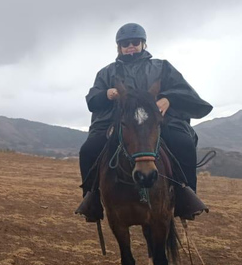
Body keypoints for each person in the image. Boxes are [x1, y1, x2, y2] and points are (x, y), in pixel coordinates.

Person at [75, 23, 213, 221]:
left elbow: (185, 91)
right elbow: (92, 100)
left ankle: (185, 194)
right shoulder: (107, 73)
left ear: (143, 44)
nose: (130, 46)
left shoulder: (162, 67)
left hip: (155, 122)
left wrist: (169, 98)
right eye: (125, 43)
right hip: (120, 123)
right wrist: (106, 94)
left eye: (135, 42)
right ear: (119, 47)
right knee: (89, 150)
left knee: (183, 143)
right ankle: (92, 198)